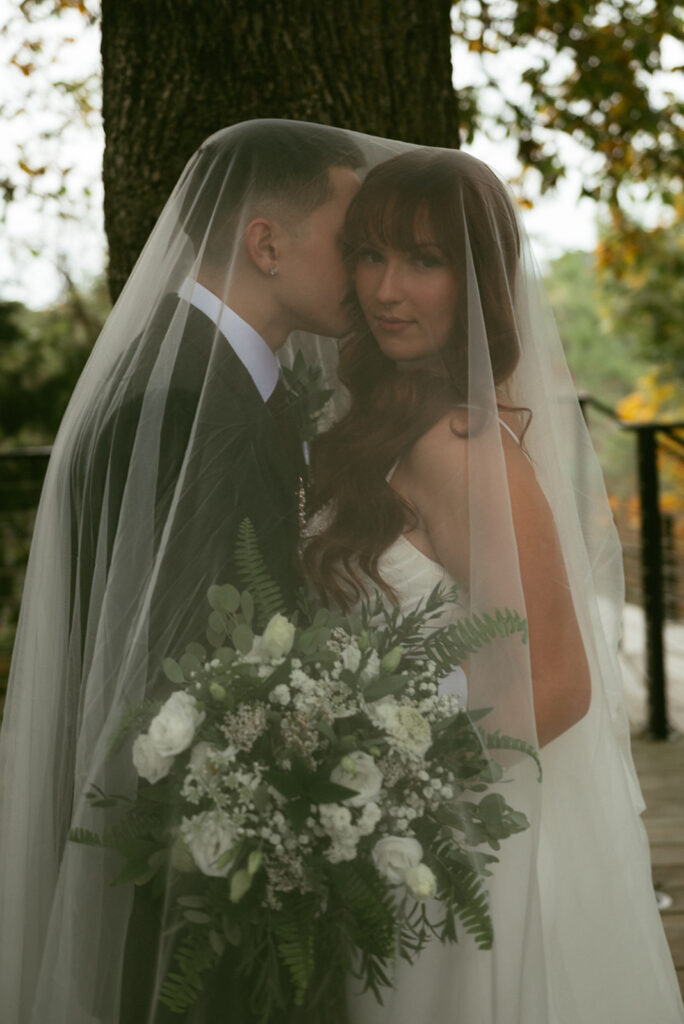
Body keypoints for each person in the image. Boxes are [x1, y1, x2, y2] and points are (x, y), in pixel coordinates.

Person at [303, 147, 684, 1022]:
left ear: (476, 281)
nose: (386, 289)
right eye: (371, 253)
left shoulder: (463, 447)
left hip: (453, 850)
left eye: (425, 261)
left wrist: (382, 785)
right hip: (400, 839)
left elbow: (559, 681)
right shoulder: (382, 421)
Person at [0, 119, 363, 1024]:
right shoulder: (182, 399)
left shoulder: (234, 379)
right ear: (266, 243)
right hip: (193, 863)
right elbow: (179, 663)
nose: (365, 270)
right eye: (349, 243)